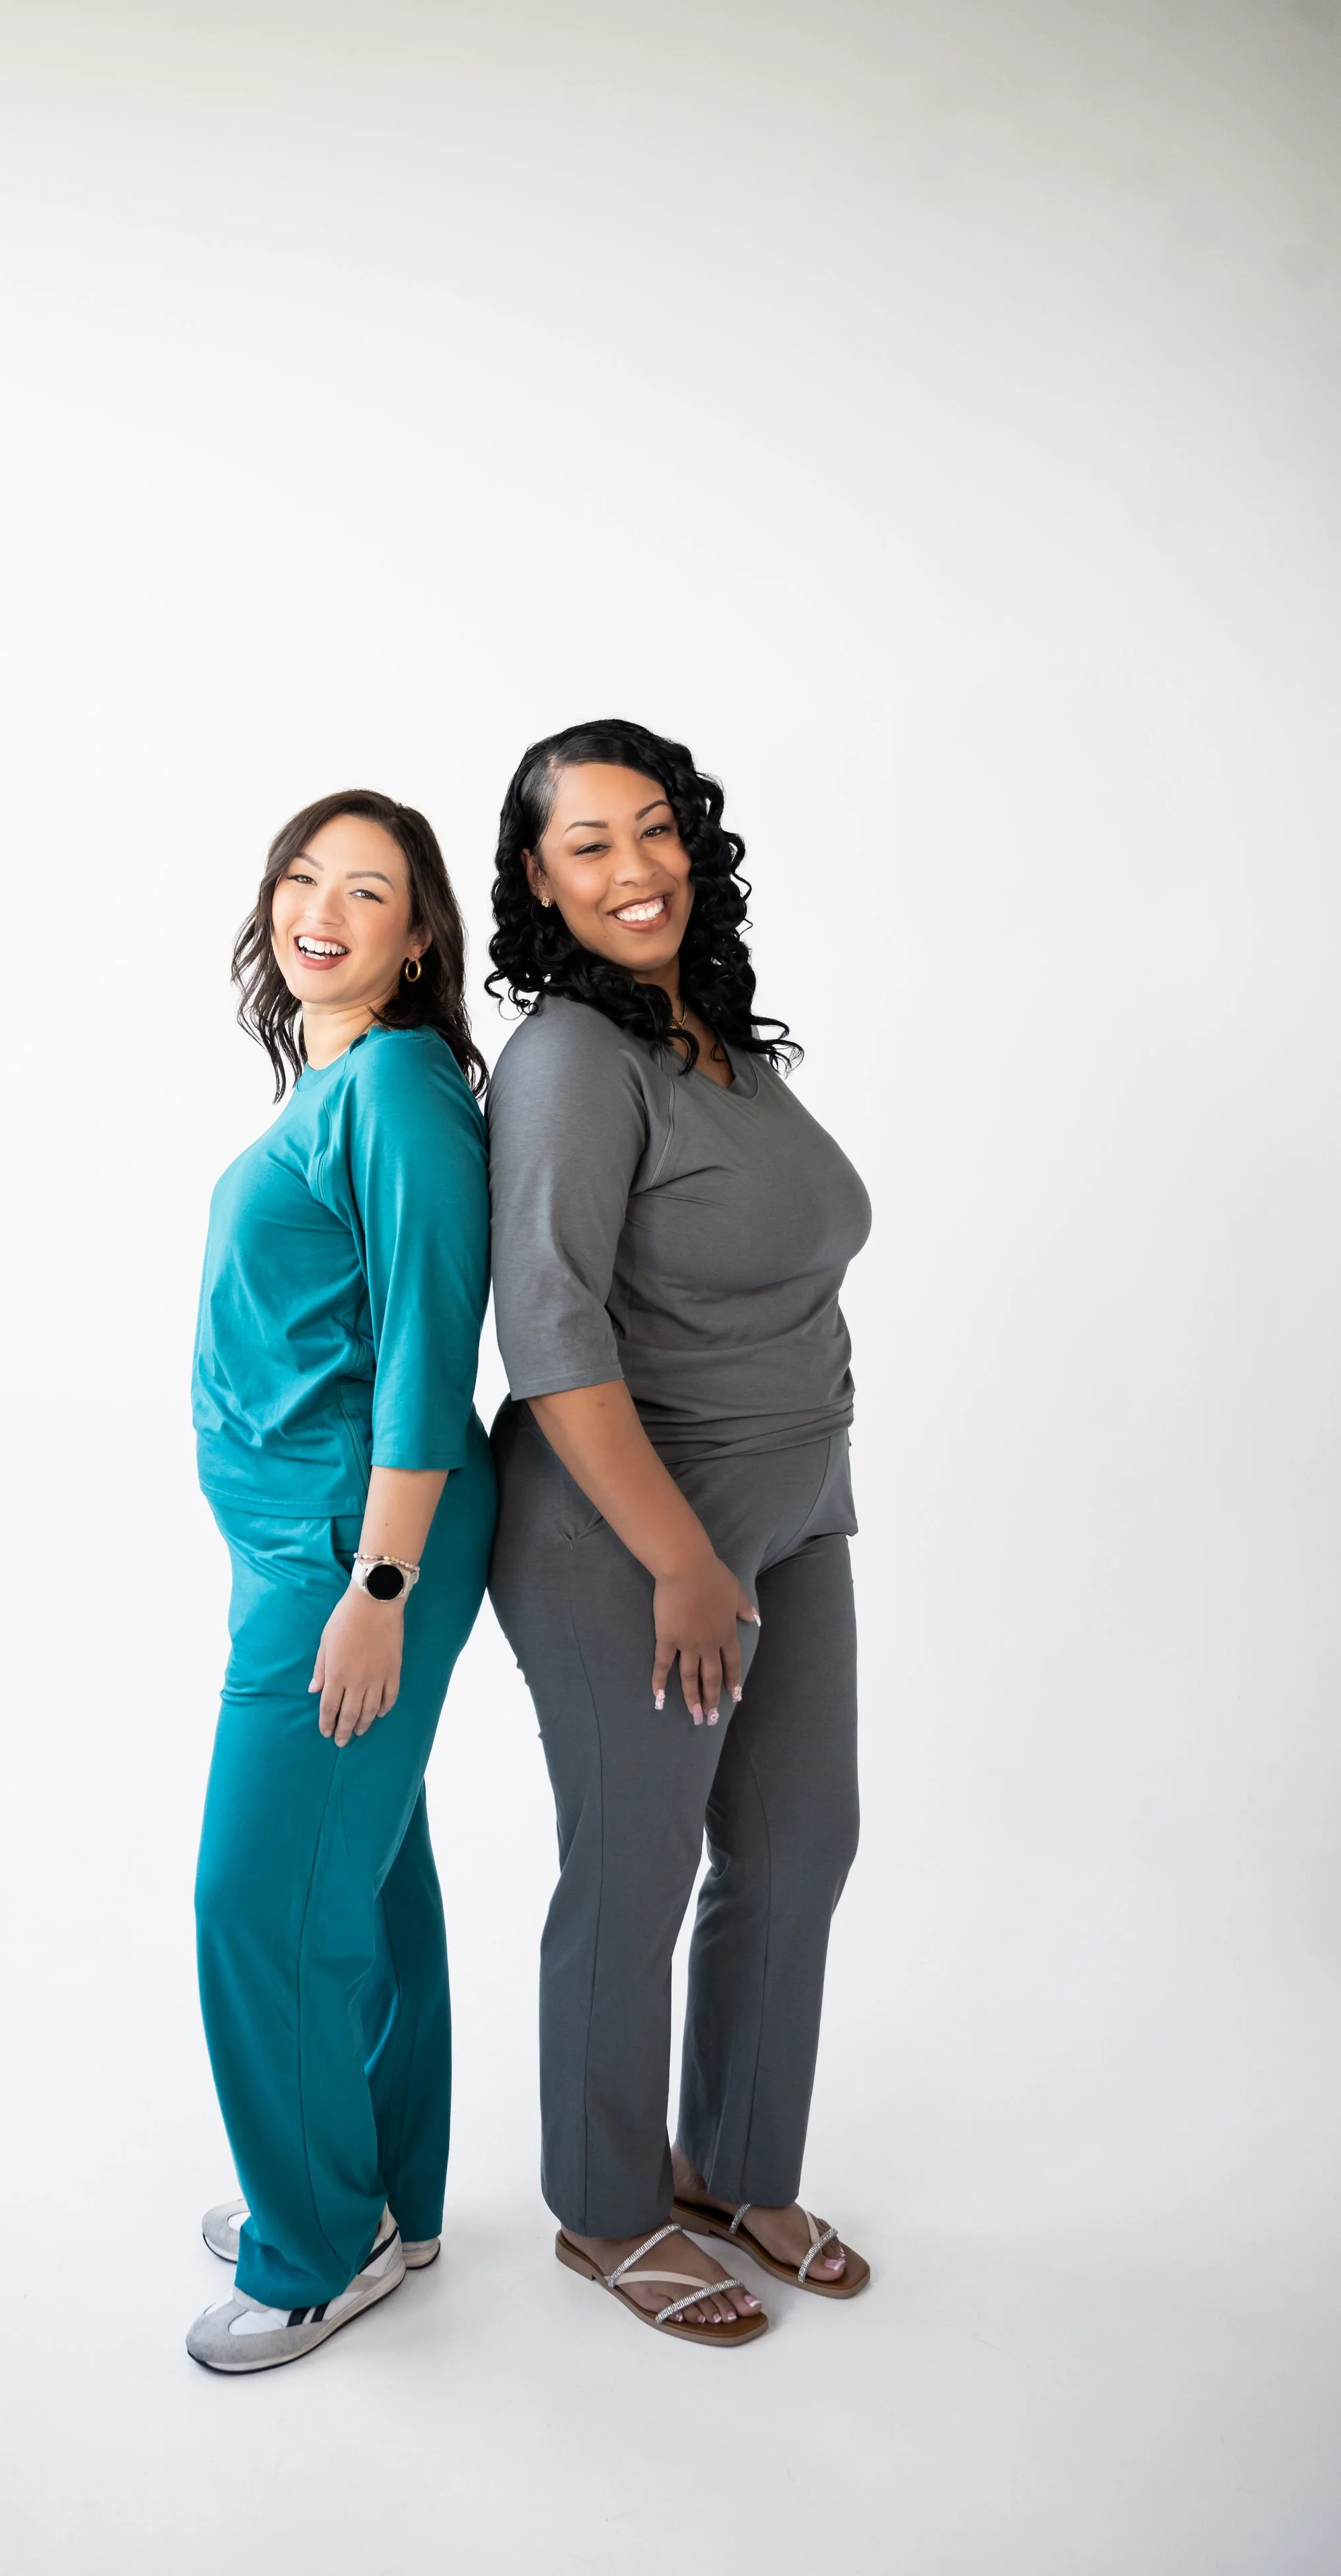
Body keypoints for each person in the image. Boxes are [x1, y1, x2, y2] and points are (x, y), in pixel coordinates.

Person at [485, 718, 873, 2348]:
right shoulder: (571, 1059)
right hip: (628, 1532)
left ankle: (731, 2162)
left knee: (797, 1844)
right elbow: (553, 1332)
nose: (636, 868)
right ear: (534, 878)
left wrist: (772, 1511)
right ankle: (604, 2205)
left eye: (655, 830)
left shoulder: (714, 1034)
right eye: (590, 843)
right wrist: (681, 1557)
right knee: (632, 1871)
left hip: (793, 1500)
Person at [185, 790, 494, 2375]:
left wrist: (374, 1581)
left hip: (355, 1554)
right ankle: (390, 2195)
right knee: (363, 1873)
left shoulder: (397, 1086)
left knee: (253, 1898)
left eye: (364, 889)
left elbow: (432, 1358)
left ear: (417, 932)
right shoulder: (333, 1080)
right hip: (303, 1547)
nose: (321, 907)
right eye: (301, 876)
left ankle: (315, 2246)